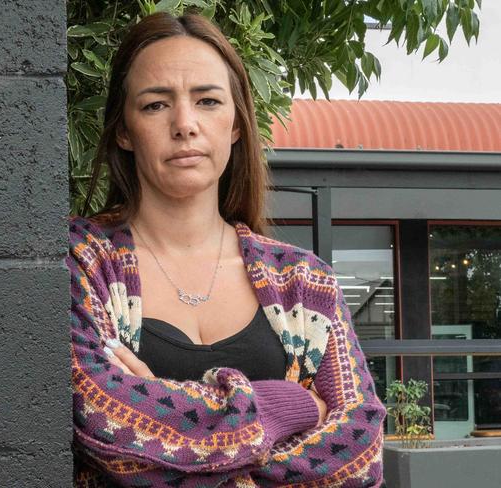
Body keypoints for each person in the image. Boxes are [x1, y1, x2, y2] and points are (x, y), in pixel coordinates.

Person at [67, 12, 386, 487]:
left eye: (208, 101)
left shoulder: (303, 283)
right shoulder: (80, 263)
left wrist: (164, 426)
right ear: (124, 130)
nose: (185, 124)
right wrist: (290, 406)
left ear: (236, 123)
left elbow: (357, 456)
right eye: (155, 105)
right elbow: (100, 423)